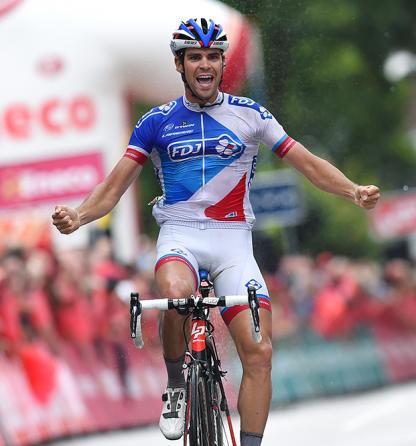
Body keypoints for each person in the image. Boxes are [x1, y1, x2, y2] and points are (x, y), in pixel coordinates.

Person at [52, 17, 380, 445]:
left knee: (259, 352)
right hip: (181, 234)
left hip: (233, 242)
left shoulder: (251, 115)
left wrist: (353, 191)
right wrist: (78, 216)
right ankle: (175, 386)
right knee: (175, 295)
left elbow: (309, 164)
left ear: (223, 62)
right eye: (195, 57)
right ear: (179, 64)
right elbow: (114, 188)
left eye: (212, 56)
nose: (204, 65)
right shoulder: (157, 122)